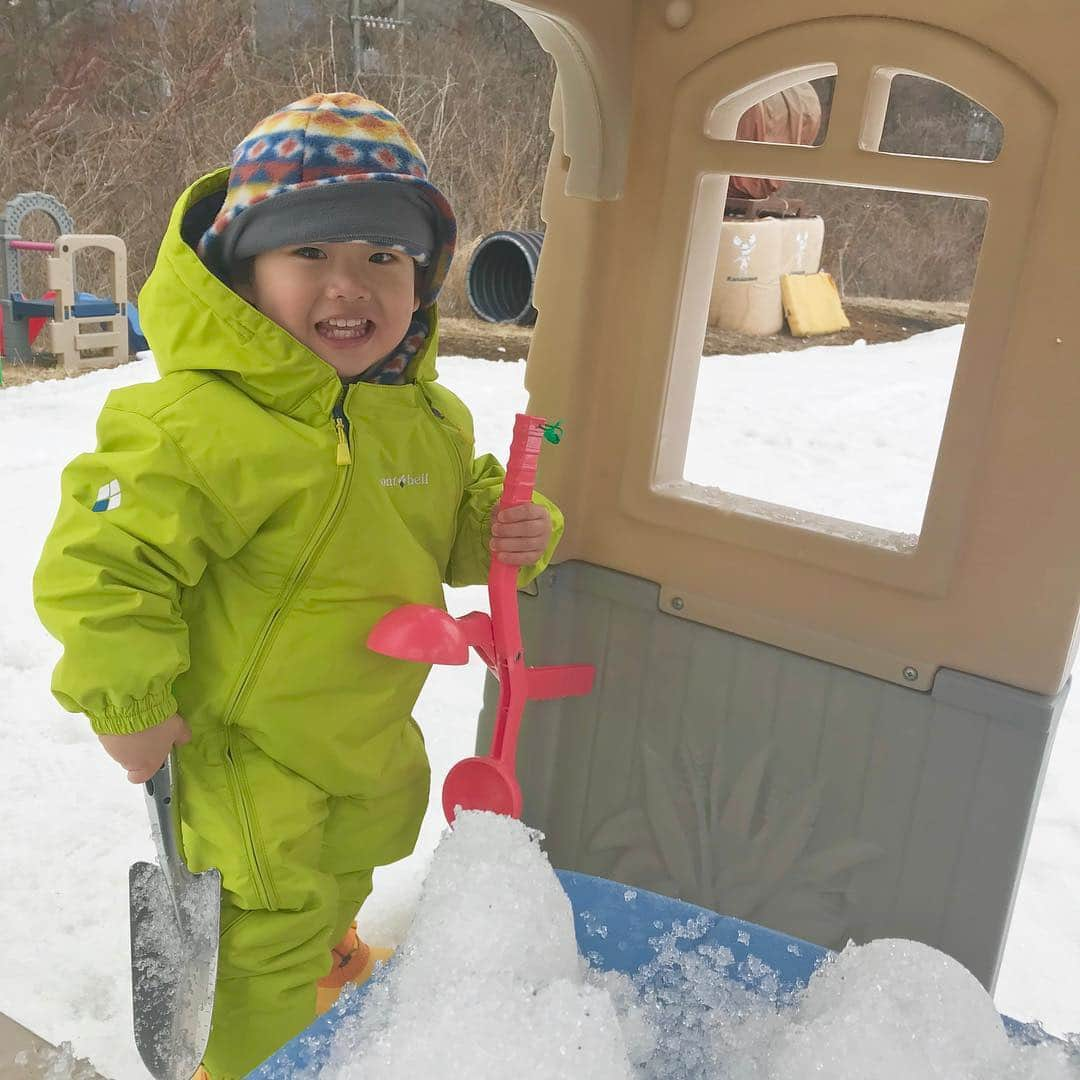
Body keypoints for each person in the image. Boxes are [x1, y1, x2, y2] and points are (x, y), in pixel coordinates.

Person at [33, 92, 562, 1078]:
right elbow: (102, 567)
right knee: (262, 926)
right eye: (310, 254)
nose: (348, 285)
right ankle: (247, 1056)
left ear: (422, 277)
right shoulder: (196, 423)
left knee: (348, 860)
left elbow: (460, 531)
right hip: (242, 758)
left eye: (382, 257)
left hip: (359, 737)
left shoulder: (425, 419)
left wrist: (513, 529)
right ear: (245, 270)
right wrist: (125, 701)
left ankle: (328, 955)